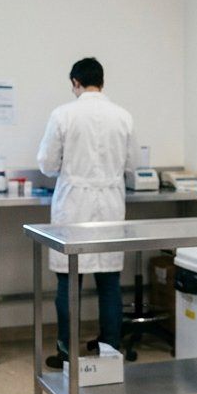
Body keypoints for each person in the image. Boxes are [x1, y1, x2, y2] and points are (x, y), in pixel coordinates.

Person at [36, 57, 135, 368]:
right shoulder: (123, 116)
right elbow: (133, 167)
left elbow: (47, 164)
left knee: (68, 281)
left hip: (73, 206)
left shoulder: (63, 115)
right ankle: (110, 350)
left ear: (75, 84)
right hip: (110, 205)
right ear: (102, 83)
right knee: (109, 282)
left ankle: (67, 351)